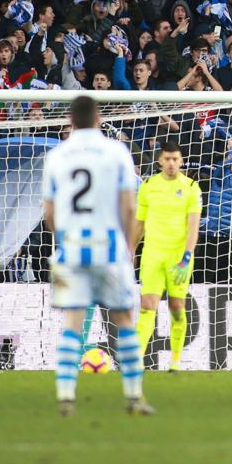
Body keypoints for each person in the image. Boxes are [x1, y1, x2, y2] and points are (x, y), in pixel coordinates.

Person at [41, 96, 151, 417]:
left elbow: (49, 213)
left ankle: (65, 396)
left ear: (70, 120)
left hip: (71, 248)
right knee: (125, 321)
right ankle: (133, 396)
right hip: (110, 247)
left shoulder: (57, 155)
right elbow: (130, 206)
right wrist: (129, 247)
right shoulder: (116, 152)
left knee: (72, 323)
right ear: (99, 118)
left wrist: (64, 239)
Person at [133, 142, 202, 372]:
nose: (171, 163)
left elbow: (193, 226)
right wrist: (130, 250)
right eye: (167, 159)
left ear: (181, 161)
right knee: (147, 306)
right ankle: (137, 361)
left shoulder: (192, 187)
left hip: (178, 257)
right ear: (160, 161)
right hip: (152, 254)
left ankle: (175, 360)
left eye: (175, 159)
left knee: (176, 307)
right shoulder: (148, 186)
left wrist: (186, 256)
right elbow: (139, 222)